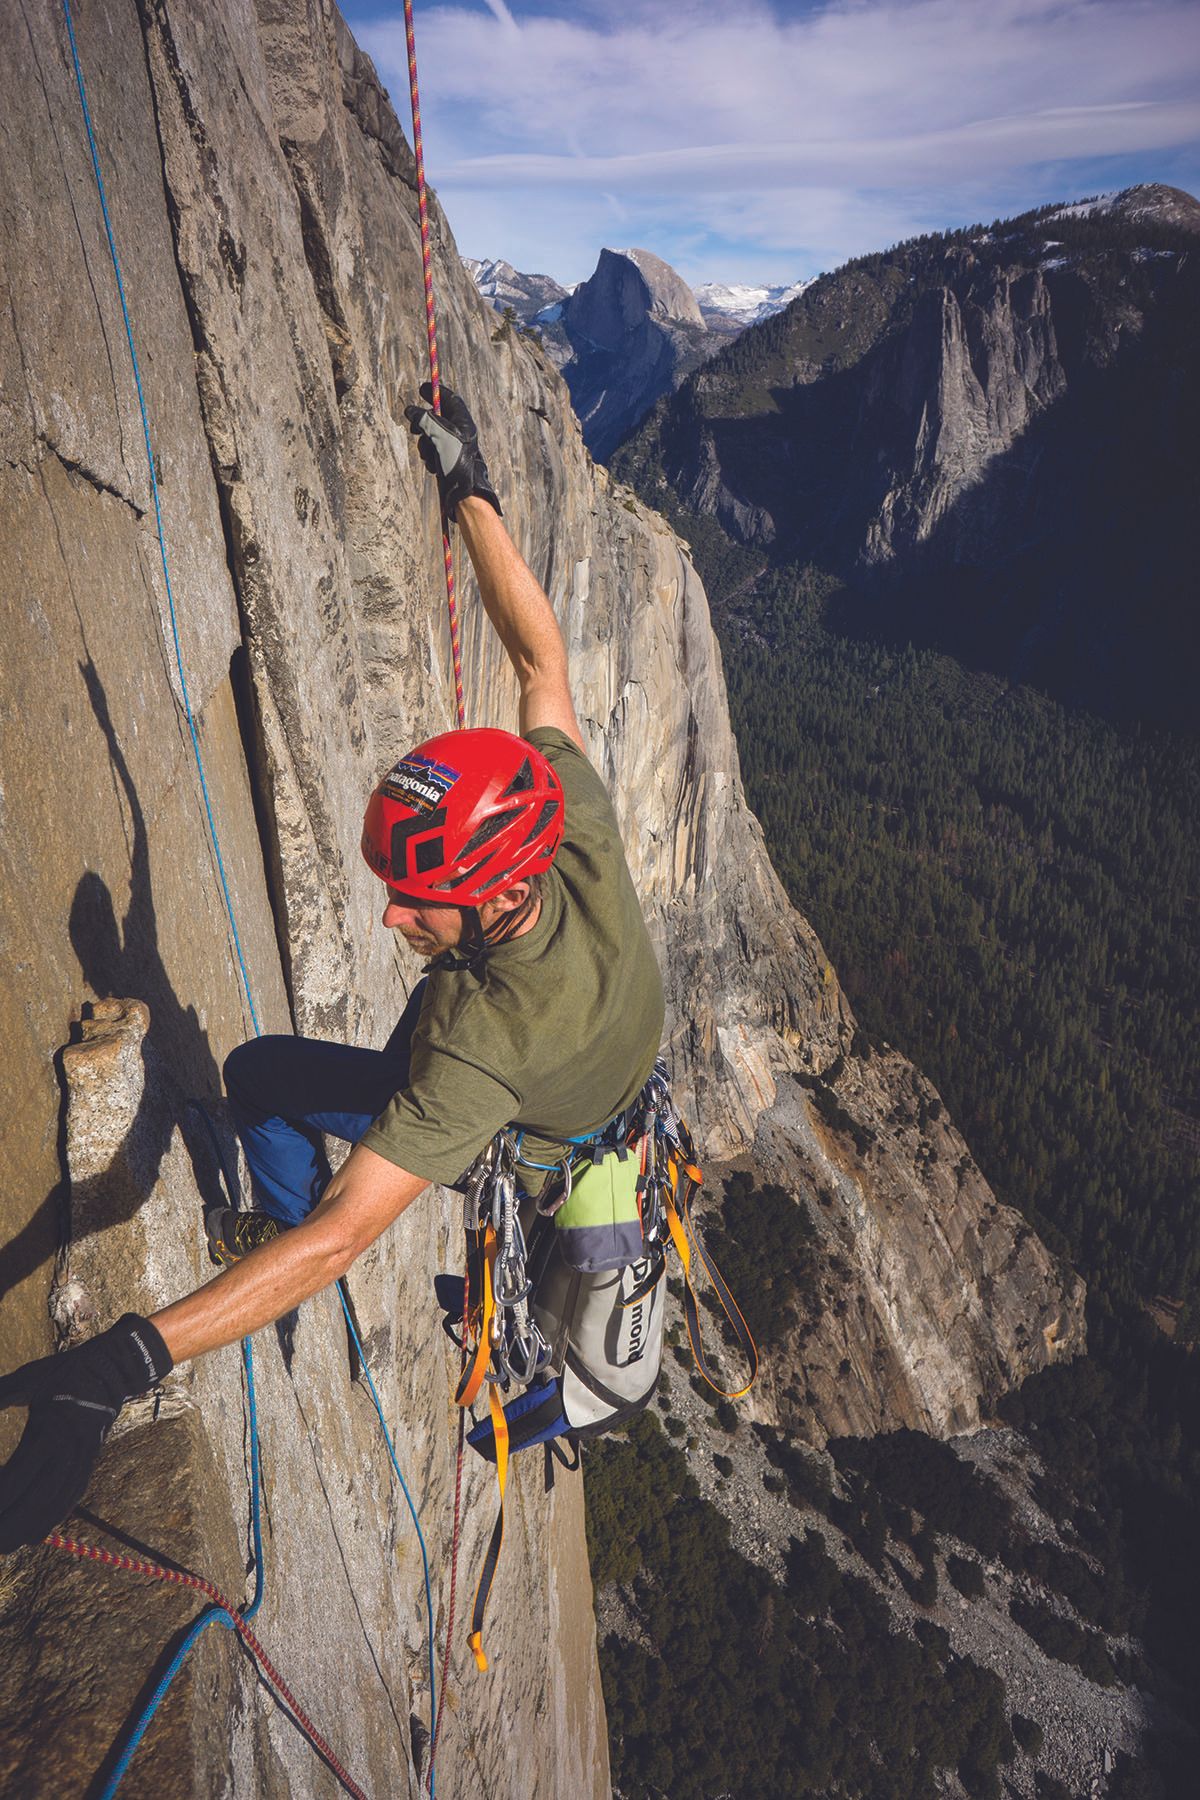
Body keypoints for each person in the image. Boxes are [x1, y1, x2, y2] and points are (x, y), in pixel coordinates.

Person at [0, 388, 665, 1553]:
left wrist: (123, 1360)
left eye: (421, 899)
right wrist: (473, 494)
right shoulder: (574, 830)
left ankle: (265, 1205)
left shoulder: (475, 1053)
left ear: (495, 893)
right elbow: (538, 653)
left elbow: (348, 1239)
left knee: (255, 1073)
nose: (394, 912)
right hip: (609, 1100)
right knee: (316, 1062)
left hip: (532, 1124)